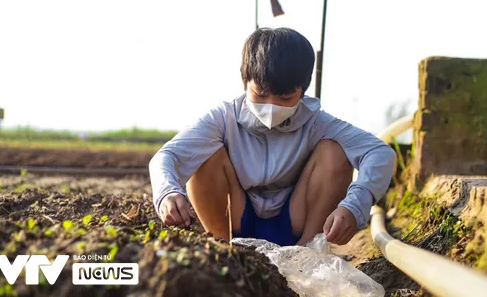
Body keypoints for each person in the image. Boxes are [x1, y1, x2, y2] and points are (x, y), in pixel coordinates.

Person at [149, 28, 396, 246]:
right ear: (245, 81)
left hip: (294, 220)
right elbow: (168, 156)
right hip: (235, 219)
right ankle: (224, 250)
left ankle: (308, 253)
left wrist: (354, 205)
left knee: (334, 152)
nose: (271, 106)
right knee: (205, 155)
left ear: (303, 90)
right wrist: (168, 193)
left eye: (285, 98)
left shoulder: (317, 123)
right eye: (260, 94)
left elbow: (379, 152)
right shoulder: (223, 119)